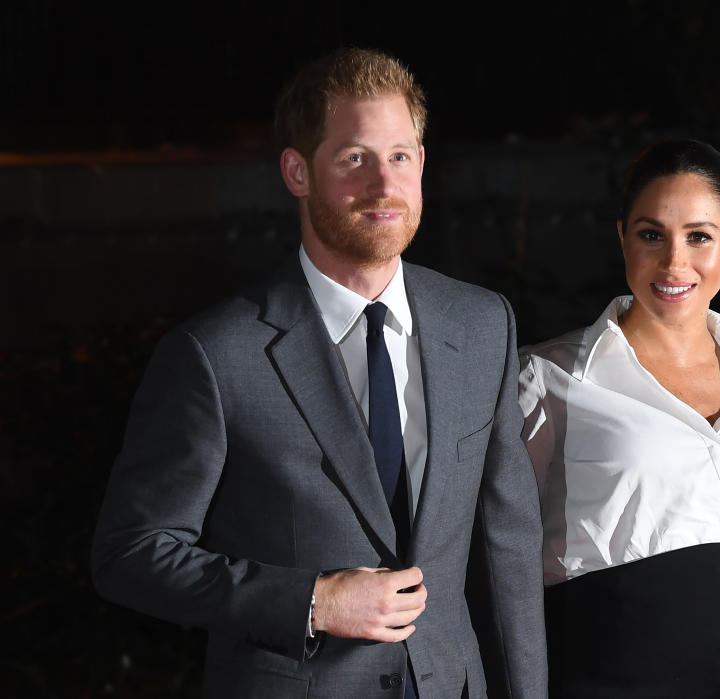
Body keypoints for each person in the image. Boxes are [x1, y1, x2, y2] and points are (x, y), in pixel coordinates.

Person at [91, 48, 547, 699]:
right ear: (298, 171)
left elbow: (508, 550)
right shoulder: (214, 354)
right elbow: (131, 554)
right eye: (355, 158)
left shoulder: (482, 325)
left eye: (401, 155)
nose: (385, 185)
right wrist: (310, 602)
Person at [519, 139, 720, 698]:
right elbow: (497, 564)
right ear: (622, 237)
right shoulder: (548, 379)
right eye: (651, 235)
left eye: (699, 237)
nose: (674, 263)